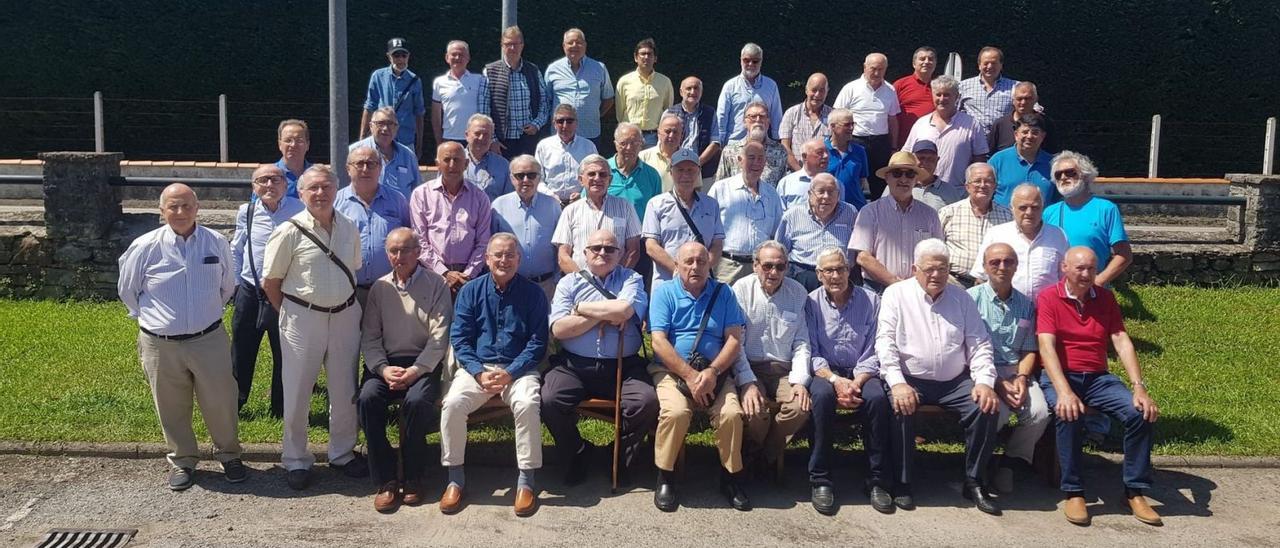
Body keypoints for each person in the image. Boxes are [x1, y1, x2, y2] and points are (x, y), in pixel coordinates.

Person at [118, 183, 244, 490]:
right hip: (160, 343)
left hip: (208, 338)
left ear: (197, 208)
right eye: (173, 206)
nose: (180, 212)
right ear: (162, 212)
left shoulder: (216, 242)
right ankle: (183, 460)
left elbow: (228, 286)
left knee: (221, 401)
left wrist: (206, 312)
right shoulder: (144, 246)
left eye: (187, 205)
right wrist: (157, 320)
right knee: (171, 405)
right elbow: (127, 291)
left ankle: (229, 455)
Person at [1037, 247, 1161, 527]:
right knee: (1068, 412)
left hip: (1097, 378)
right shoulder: (1048, 298)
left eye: (1091, 269)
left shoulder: (1105, 298)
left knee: (1139, 413)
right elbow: (1047, 346)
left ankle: (1134, 491)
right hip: (1061, 375)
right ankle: (1074, 491)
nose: (1085, 274)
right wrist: (1065, 391)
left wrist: (1139, 387)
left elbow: (1120, 339)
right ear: (1064, 268)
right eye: (1079, 268)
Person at [261, 166, 367, 491]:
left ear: (337, 189)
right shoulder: (288, 231)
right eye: (313, 189)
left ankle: (342, 453)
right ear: (302, 193)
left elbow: (355, 269)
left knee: (345, 389)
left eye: (326, 187)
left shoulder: (349, 227)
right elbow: (270, 281)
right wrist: (293, 312)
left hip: (346, 316)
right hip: (302, 318)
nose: (320, 193)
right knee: (297, 391)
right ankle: (295, 459)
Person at [877, 239, 1001, 515]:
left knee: (986, 406)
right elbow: (884, 342)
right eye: (930, 269)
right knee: (900, 405)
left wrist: (983, 381)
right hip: (911, 377)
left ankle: (974, 481)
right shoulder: (896, 294)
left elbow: (979, 343)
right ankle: (903, 482)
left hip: (954, 381)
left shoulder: (962, 298)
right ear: (914, 268)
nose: (936, 275)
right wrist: (897, 382)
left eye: (942, 269)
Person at [648, 242, 762, 512]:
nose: (695, 267)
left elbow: (734, 339)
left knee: (731, 414)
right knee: (675, 412)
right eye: (688, 261)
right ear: (676, 266)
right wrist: (689, 375)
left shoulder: (723, 293)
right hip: (672, 371)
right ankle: (666, 476)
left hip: (717, 372)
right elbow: (658, 342)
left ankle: (731, 477)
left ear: (710, 264)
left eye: (701, 261)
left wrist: (712, 372)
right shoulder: (664, 293)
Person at [441, 233, 550, 517]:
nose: (504, 260)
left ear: (519, 259)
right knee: (452, 404)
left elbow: (538, 343)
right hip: (478, 368)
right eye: (498, 255)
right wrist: (477, 372)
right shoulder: (470, 291)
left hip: (519, 369)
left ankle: (526, 481)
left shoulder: (534, 294)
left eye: (510, 255)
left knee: (527, 404)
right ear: (487, 259)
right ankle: (455, 479)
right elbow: (460, 339)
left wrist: (510, 372)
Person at [543, 229, 659, 485]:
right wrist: (605, 314)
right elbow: (559, 330)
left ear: (620, 254)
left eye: (610, 249)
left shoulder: (632, 279)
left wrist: (581, 309)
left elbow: (625, 309)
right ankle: (577, 452)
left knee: (646, 401)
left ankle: (616, 454)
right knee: (549, 399)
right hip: (575, 364)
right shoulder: (569, 282)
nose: (603, 253)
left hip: (623, 365)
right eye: (596, 248)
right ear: (584, 253)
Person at [358, 228, 452, 513]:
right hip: (386, 363)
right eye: (393, 251)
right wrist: (383, 369)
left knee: (415, 403)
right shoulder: (379, 287)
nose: (399, 257)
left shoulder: (436, 285)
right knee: (367, 399)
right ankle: (385, 478)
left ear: (418, 251)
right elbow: (370, 337)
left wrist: (416, 370)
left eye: (405, 250)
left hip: (422, 363)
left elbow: (440, 337)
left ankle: (413, 477)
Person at [803, 247, 894, 515]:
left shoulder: (872, 300)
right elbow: (811, 350)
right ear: (819, 274)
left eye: (840, 269)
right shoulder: (810, 302)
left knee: (878, 399)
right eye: (828, 270)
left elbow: (878, 346)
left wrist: (857, 380)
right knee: (820, 397)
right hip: (825, 372)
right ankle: (821, 478)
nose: (835, 275)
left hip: (863, 371)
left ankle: (877, 479)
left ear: (849, 270)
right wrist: (835, 380)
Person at [968, 243, 1050, 494]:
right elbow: (967, 349)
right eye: (995, 262)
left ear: (1016, 266)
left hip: (1016, 371)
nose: (1002, 267)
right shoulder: (971, 300)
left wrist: (1023, 378)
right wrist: (996, 383)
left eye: (1008, 262)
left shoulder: (1025, 305)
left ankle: (1010, 463)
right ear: (984, 267)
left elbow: (1028, 349)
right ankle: (981, 463)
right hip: (981, 371)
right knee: (995, 412)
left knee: (1039, 413)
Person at [230, 165, 304, 417]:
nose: (270, 185)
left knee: (285, 351)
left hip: (285, 292)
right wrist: (235, 284)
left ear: (285, 184)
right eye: (263, 180)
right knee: (242, 349)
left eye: (276, 179)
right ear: (254, 187)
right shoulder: (246, 212)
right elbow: (237, 248)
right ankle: (235, 403)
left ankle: (281, 409)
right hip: (250, 290)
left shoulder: (299, 209)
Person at [734, 241, 811, 477]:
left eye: (780, 266)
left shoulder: (797, 292)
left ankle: (763, 454)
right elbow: (735, 343)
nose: (774, 272)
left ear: (787, 267)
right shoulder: (741, 290)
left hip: (784, 370)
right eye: (767, 266)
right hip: (749, 365)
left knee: (800, 407)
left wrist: (799, 381)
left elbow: (801, 343)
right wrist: (746, 381)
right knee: (755, 409)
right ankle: (756, 454)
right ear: (755, 265)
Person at [849, 151, 943, 293]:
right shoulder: (870, 212)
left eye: (910, 174)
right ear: (887, 177)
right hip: (878, 290)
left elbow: (936, 255)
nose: (904, 179)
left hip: (918, 291)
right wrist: (896, 283)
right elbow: (863, 257)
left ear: (916, 179)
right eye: (897, 173)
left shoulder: (930, 215)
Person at [409, 142, 492, 297]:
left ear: (466, 164)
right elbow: (419, 240)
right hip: (431, 274)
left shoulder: (480, 197)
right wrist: (444, 273)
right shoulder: (421, 195)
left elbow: (483, 243)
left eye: (457, 160)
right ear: (437, 164)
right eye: (447, 160)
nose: (452, 165)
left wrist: (467, 275)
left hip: (470, 279)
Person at [335, 146, 413, 302]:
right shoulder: (336, 202)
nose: (365, 169)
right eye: (360, 163)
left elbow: (409, 239)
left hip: (391, 290)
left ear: (380, 168)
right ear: (348, 169)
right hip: (349, 291)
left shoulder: (397, 201)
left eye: (371, 164)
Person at [1044, 151, 1132, 287]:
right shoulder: (1049, 212)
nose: (1063, 177)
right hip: (1057, 292)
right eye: (1058, 174)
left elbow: (1124, 255)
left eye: (1070, 172)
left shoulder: (1106, 209)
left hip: (1093, 291)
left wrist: (1099, 281)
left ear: (1085, 175)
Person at [642, 148, 724, 287]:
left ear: (698, 172)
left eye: (690, 170)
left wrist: (700, 271)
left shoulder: (711, 205)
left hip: (702, 285)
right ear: (671, 172)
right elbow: (651, 246)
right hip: (667, 283)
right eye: (680, 170)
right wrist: (679, 271)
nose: (685, 175)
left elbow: (717, 244)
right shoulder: (656, 204)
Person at [970, 184, 1069, 299]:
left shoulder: (1058, 235)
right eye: (1023, 207)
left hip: (1046, 311)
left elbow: (1065, 278)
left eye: (1035, 207)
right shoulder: (996, 234)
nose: (1029, 212)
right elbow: (981, 277)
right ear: (1012, 208)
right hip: (1006, 311)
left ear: (1042, 207)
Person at [708, 141, 784, 285]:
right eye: (751, 157)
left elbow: (776, 233)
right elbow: (707, 229)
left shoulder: (772, 194)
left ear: (765, 163)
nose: (756, 162)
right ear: (740, 160)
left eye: (760, 158)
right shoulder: (721, 189)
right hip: (727, 266)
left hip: (760, 269)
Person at [552, 155, 643, 272]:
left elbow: (633, 251)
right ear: (581, 180)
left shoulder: (625, 207)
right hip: (581, 286)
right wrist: (584, 282)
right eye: (591, 174)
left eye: (602, 174)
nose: (597, 178)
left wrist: (617, 279)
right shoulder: (570, 211)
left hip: (617, 286)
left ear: (610, 180)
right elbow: (563, 256)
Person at [492, 154, 563, 300]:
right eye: (520, 176)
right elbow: (490, 246)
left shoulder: (553, 205)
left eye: (531, 175)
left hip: (547, 286)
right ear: (512, 178)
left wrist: (557, 279)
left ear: (539, 178)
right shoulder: (498, 206)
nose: (526, 180)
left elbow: (561, 245)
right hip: (511, 285)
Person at [902, 74, 989, 192]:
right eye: (938, 94)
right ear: (932, 96)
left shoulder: (971, 124)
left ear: (957, 97)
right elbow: (907, 156)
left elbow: (979, 160)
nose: (942, 99)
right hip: (922, 191)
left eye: (947, 95)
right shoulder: (921, 124)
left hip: (957, 193)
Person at [834, 53, 901, 199]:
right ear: (865, 67)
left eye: (881, 69)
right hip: (855, 141)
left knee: (880, 183)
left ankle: (880, 217)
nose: (877, 73)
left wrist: (894, 147)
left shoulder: (890, 90)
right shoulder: (850, 88)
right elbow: (836, 115)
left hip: (880, 143)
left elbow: (892, 120)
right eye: (873, 68)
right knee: (853, 179)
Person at [775, 174, 856, 291]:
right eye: (821, 191)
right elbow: (780, 252)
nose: (826, 197)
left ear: (838, 195)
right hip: (803, 276)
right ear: (810, 194)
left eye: (831, 192)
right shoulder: (792, 215)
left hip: (839, 276)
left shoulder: (850, 212)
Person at [937, 162, 1012, 286]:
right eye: (977, 181)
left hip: (992, 286)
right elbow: (935, 249)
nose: (983, 185)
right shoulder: (948, 213)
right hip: (954, 283)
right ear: (967, 186)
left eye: (988, 181)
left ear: (994, 186)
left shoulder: (1008, 216)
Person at [484, 26, 552, 158]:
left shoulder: (533, 70)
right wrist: (492, 140)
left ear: (522, 45)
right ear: (502, 46)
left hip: (528, 140)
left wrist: (536, 124)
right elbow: (483, 109)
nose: (512, 48)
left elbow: (545, 102)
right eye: (508, 44)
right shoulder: (490, 71)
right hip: (502, 142)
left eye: (516, 44)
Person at [544, 28, 614, 143]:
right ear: (564, 46)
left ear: (585, 45)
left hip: (590, 133)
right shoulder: (553, 69)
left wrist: (595, 115)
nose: (574, 45)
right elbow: (547, 100)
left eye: (579, 42)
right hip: (561, 133)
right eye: (570, 43)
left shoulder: (599, 68)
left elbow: (608, 99)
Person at [360, 38, 426, 157]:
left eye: (403, 55)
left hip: (406, 139)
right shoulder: (378, 76)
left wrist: (419, 143)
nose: (400, 59)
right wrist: (362, 137)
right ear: (389, 56)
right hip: (381, 137)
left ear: (408, 56)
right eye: (396, 55)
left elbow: (419, 113)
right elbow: (369, 107)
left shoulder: (415, 80)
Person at [714, 43, 784, 145]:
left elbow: (776, 116)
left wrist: (777, 141)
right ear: (741, 60)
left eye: (755, 61)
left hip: (763, 145)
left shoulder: (771, 86)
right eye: (746, 60)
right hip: (734, 145)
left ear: (761, 61)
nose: (750, 64)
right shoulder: (729, 86)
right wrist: (719, 143)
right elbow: (721, 116)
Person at [349, 106, 422, 199]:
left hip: (400, 212)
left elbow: (417, 191)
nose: (385, 128)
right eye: (380, 123)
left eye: (390, 124)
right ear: (371, 126)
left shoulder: (408, 156)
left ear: (397, 128)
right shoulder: (354, 152)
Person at [989, 112, 1059, 207]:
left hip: (1042, 220)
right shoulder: (998, 160)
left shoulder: (1053, 164)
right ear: (1016, 134)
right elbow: (986, 191)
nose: (1029, 136)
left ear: (1043, 136)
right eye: (1025, 132)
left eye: (1035, 132)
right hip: (1003, 220)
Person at [615, 38, 674, 147]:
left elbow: (668, 111)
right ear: (635, 57)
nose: (646, 57)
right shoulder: (624, 81)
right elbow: (620, 112)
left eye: (649, 54)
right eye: (642, 54)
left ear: (655, 58)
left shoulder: (665, 82)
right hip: (629, 137)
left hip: (653, 138)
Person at [535, 104, 598, 204]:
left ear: (576, 123)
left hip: (581, 203)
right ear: (554, 124)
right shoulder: (543, 146)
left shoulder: (589, 147)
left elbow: (596, 177)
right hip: (549, 202)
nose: (565, 126)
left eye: (569, 121)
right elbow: (537, 178)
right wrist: (550, 195)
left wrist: (583, 195)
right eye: (560, 121)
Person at [715, 104, 789, 187]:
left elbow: (784, 187)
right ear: (745, 122)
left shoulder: (780, 151)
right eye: (753, 116)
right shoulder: (729, 151)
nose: (758, 120)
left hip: (770, 199)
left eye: (762, 116)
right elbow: (720, 185)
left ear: (768, 122)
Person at [432, 40, 487, 147]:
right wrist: (439, 141)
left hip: (475, 138)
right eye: (454, 54)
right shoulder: (439, 82)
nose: (457, 58)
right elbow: (436, 115)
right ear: (447, 57)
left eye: (461, 55)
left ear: (468, 58)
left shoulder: (480, 80)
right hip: (449, 138)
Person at [665, 76, 718, 181]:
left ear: (701, 92)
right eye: (688, 88)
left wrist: (697, 163)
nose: (693, 91)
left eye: (696, 88)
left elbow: (715, 143)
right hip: (675, 168)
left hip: (703, 171)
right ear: (681, 92)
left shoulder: (710, 113)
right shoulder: (669, 113)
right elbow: (663, 141)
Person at [608, 123, 663, 223]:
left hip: (640, 236)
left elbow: (657, 211)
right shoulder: (601, 171)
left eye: (634, 143)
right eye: (623, 143)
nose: (629, 148)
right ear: (615, 144)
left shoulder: (652, 175)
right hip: (607, 236)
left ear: (641, 145)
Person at [959, 46, 1018, 135]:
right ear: (979, 65)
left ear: (1001, 65)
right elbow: (953, 111)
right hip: (973, 138)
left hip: (1003, 139)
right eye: (986, 63)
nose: (989, 66)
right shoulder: (963, 86)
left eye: (994, 63)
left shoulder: (1015, 86)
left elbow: (1031, 108)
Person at [779, 73, 832, 171]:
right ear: (806, 90)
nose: (817, 94)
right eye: (814, 90)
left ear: (827, 92)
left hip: (824, 174)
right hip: (795, 172)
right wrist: (800, 172)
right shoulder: (791, 113)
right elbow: (785, 146)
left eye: (822, 90)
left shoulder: (833, 116)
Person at [988, 81, 1057, 152]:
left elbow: (1053, 153)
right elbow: (990, 154)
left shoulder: (1046, 123)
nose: (1023, 102)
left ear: (1036, 99)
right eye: (1019, 99)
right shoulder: (1000, 124)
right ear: (1013, 100)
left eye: (1028, 98)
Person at [824, 108, 870, 209]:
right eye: (847, 125)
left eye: (853, 124)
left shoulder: (859, 151)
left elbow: (862, 181)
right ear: (832, 126)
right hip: (829, 208)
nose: (851, 128)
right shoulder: (822, 150)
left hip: (856, 207)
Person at [462, 114, 514, 201]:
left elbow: (509, 200)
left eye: (486, 134)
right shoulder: (453, 160)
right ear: (467, 135)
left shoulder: (503, 165)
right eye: (477, 133)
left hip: (492, 214)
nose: (481, 138)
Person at [893, 47, 937, 145]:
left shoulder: (939, 86)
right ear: (914, 64)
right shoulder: (900, 85)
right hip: (904, 143)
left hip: (932, 144)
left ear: (935, 64)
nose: (927, 62)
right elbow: (890, 115)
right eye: (922, 59)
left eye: (930, 59)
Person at [906, 139, 966, 210]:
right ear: (912, 159)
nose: (925, 162)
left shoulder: (950, 191)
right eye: (921, 158)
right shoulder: (900, 185)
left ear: (937, 160)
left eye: (930, 159)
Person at [776, 138, 834, 210]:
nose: (826, 156)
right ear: (804, 156)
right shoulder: (786, 183)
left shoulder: (835, 184)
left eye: (827, 152)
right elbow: (779, 214)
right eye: (819, 152)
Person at [638, 112, 685, 192]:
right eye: (667, 131)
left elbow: (696, 189)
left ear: (682, 135)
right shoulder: (643, 157)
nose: (671, 135)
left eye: (675, 132)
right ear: (658, 133)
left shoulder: (689, 159)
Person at [275, 119, 312, 197]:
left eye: (299, 141)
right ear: (280, 144)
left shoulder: (319, 176)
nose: (293, 145)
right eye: (288, 140)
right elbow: (258, 207)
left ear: (307, 145)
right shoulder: (267, 176)